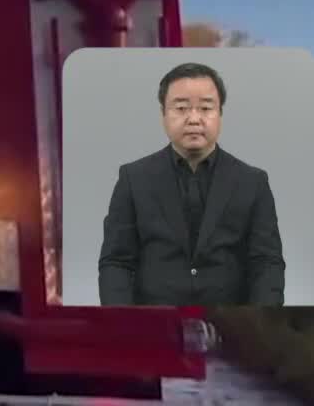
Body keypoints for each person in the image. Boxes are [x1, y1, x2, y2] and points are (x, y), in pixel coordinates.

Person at [96, 61, 285, 306]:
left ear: (220, 114)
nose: (194, 119)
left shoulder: (253, 182)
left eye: (206, 108)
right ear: (163, 114)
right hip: (154, 323)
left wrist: (260, 323)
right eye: (182, 108)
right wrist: (122, 323)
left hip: (232, 323)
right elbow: (116, 262)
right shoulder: (133, 178)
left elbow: (267, 263)